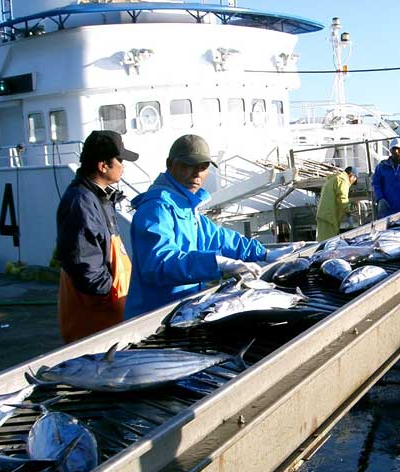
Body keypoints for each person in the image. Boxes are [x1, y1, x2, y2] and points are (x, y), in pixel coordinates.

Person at [126, 134, 301, 318]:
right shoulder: (156, 207)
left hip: (183, 308)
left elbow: (219, 237)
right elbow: (159, 264)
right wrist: (218, 262)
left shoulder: (185, 206)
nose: (196, 174)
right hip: (153, 317)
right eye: (188, 165)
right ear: (170, 164)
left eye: (203, 167)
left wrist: (263, 253)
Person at [56, 130, 139, 343]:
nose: (123, 165)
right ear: (103, 166)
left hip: (108, 316)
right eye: (119, 160)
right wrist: (109, 296)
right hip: (96, 321)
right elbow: (86, 268)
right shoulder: (81, 202)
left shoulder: (95, 197)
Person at [316, 166, 358, 241]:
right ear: (351, 175)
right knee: (328, 244)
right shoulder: (343, 180)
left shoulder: (334, 179)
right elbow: (342, 198)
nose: (352, 183)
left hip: (324, 215)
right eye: (354, 180)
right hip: (329, 217)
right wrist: (349, 214)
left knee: (322, 242)